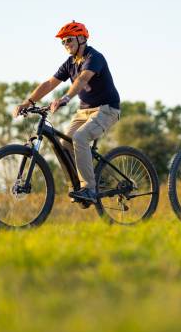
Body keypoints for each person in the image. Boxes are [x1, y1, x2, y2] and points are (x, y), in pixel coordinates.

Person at [13, 21, 120, 207]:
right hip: (84, 111)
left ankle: (90, 188)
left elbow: (82, 79)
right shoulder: (70, 63)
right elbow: (49, 84)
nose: (66, 45)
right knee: (64, 144)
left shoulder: (94, 57)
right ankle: (77, 186)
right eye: (63, 42)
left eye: (69, 40)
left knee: (80, 137)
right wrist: (28, 102)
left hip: (106, 109)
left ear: (81, 38)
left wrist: (65, 98)